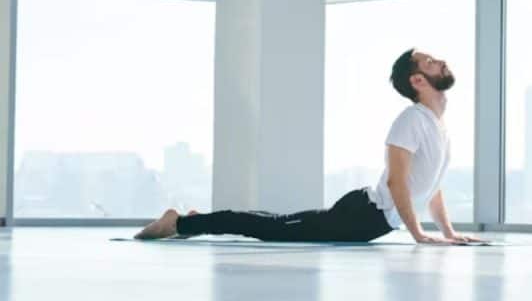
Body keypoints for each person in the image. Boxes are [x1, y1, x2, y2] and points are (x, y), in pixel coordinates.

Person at [134, 49, 484, 245]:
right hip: (362, 215)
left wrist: (449, 232)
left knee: (276, 223)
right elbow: (396, 181)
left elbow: (431, 186)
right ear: (418, 80)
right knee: (273, 229)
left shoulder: (438, 127)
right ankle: (178, 223)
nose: (440, 61)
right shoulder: (411, 120)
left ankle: (196, 220)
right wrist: (418, 234)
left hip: (369, 221)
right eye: (430, 62)